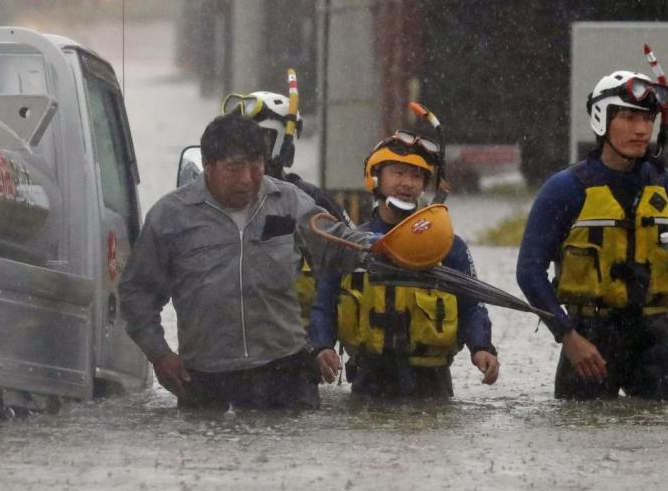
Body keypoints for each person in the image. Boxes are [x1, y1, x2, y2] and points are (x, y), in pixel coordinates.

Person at [118, 113, 378, 410]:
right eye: (234, 168)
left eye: (256, 166)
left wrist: (383, 247)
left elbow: (338, 246)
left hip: (285, 375)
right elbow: (136, 293)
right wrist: (159, 355)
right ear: (207, 166)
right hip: (205, 379)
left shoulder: (288, 201)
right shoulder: (171, 217)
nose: (246, 179)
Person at [516, 69, 668, 401]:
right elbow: (529, 271)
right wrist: (568, 337)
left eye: (648, 119)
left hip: (654, 339)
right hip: (589, 338)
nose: (641, 129)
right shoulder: (564, 189)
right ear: (601, 119)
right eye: (629, 117)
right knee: (580, 436)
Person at [308, 130, 500, 399]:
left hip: (432, 384)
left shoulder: (449, 246)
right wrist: (322, 346)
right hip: (369, 381)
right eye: (398, 173)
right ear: (375, 178)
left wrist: (482, 347)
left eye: (416, 176)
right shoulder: (349, 245)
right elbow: (324, 304)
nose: (408, 183)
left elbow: (472, 305)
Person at [222, 90, 351, 323]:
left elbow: (348, 259)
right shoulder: (216, 199)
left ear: (281, 141)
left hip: (296, 344)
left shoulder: (313, 200)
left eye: (255, 139)